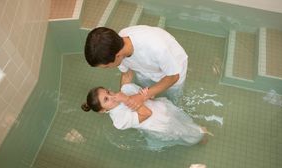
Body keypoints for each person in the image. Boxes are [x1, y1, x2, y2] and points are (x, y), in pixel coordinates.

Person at [81, 83, 213, 151]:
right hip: (160, 125)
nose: (111, 96)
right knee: (182, 133)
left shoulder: (126, 88)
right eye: (106, 99)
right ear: (103, 110)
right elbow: (146, 113)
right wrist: (126, 99)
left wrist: (147, 94)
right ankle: (198, 138)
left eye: (108, 92)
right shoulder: (119, 120)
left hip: (163, 107)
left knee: (183, 119)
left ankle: (196, 131)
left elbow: (150, 95)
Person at [84, 25, 188, 109]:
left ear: (118, 56)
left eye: (107, 67)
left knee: (174, 96)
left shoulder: (156, 48)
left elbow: (174, 77)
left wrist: (143, 96)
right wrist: (124, 98)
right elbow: (126, 74)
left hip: (173, 69)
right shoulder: (116, 45)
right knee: (144, 90)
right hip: (147, 68)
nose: (108, 68)